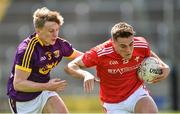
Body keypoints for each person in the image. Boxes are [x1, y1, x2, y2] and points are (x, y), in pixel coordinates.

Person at [64, 22, 170, 113]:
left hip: (136, 93)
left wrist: (163, 65)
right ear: (113, 43)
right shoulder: (100, 53)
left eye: (131, 44)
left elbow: (148, 53)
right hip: (113, 104)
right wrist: (85, 74)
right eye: (123, 46)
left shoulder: (141, 44)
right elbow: (70, 66)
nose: (128, 50)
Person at [7, 7, 82, 113]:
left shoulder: (59, 44)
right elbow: (18, 84)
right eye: (51, 31)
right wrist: (47, 85)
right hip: (22, 100)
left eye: (57, 30)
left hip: (44, 92)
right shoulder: (27, 50)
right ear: (38, 30)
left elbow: (83, 57)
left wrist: (101, 61)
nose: (55, 35)